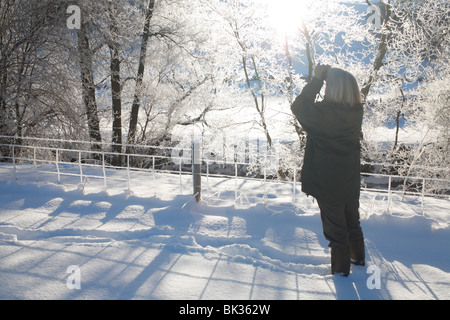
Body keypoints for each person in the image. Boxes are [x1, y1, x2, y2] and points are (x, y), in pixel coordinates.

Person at [291, 64, 365, 276]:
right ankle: (358, 261)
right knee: (352, 222)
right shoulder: (355, 112)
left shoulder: (323, 114)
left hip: (327, 179)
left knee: (336, 231)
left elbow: (299, 106)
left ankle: (342, 275)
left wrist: (317, 79)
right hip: (349, 178)